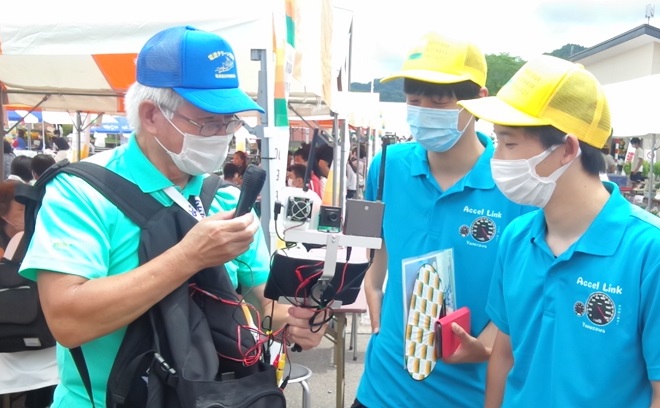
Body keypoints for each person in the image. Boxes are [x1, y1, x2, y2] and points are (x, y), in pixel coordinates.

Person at [18, 26, 325, 408]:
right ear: (151, 115)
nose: (223, 135)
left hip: (210, 397)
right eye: (208, 122)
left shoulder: (226, 199)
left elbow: (263, 304)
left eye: (230, 122)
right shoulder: (82, 192)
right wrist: (188, 256)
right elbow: (67, 321)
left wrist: (296, 320)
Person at [458, 54, 660, 407]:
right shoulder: (517, 238)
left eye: (509, 144)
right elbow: (504, 354)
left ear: (567, 149)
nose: (496, 158)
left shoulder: (647, 251)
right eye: (497, 141)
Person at [352, 32, 532, 408]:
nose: (424, 111)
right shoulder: (386, 166)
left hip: (466, 391)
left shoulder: (515, 186)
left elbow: (525, 290)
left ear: (478, 100)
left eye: (439, 101)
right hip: (382, 386)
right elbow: (377, 243)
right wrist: (372, 284)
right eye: (414, 100)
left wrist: (486, 344)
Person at [0, 179, 58, 408]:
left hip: (45, 345)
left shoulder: (44, 238)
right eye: (21, 209)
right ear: (4, 215)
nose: (29, 213)